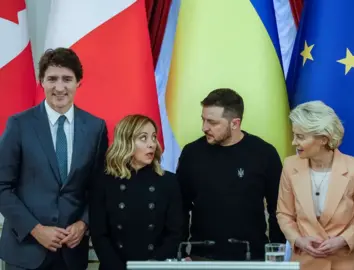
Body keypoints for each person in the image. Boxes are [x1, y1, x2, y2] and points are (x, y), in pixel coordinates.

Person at [0, 48, 108, 270]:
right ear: (41, 81)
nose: (59, 87)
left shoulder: (96, 128)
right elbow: (2, 186)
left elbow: (99, 187)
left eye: (67, 79)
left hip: (71, 254)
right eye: (52, 79)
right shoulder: (19, 125)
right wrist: (36, 229)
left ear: (79, 82)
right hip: (25, 252)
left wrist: (84, 223)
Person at [176, 88, 285, 261]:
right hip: (201, 257)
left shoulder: (264, 154)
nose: (204, 127)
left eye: (212, 122)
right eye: (203, 120)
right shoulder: (191, 153)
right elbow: (180, 208)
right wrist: (180, 254)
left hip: (252, 258)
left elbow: (278, 209)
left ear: (235, 123)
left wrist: (275, 255)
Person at [276, 100, 354, 270]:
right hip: (305, 262)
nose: (294, 143)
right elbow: (284, 213)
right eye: (294, 135)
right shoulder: (290, 167)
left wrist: (343, 240)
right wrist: (299, 240)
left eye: (300, 137)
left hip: (346, 262)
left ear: (323, 139)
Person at [89, 114, 183, 269]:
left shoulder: (168, 182)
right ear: (126, 142)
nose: (152, 144)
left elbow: (175, 234)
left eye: (153, 137)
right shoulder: (104, 182)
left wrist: (153, 265)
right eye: (143, 138)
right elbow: (99, 235)